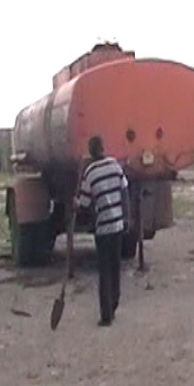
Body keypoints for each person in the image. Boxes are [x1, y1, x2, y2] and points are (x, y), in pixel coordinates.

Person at [74, 136, 130, 327]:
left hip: (103, 228)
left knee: (104, 271)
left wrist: (76, 204)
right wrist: (126, 218)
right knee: (115, 267)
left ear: (90, 151)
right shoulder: (115, 166)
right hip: (118, 225)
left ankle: (106, 315)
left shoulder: (90, 173)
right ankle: (114, 302)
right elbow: (124, 192)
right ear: (103, 148)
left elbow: (85, 204)